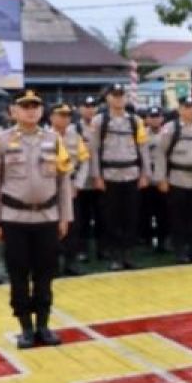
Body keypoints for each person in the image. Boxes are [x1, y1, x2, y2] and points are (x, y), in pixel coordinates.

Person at [0, 90, 73, 348]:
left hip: (47, 217)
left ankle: (44, 326)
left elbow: (63, 181)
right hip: (14, 219)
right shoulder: (0, 141)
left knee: (45, 273)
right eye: (25, 106)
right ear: (14, 111)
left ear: (42, 111)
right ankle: (25, 326)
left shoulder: (54, 140)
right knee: (19, 274)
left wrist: (64, 217)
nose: (30, 110)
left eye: (35, 106)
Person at [89, 84, 150, 270]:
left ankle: (129, 254)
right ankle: (115, 256)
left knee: (131, 217)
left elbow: (143, 149)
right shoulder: (100, 121)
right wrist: (96, 175)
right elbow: (94, 150)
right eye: (114, 96)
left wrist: (145, 173)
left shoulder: (135, 121)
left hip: (131, 174)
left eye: (121, 96)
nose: (118, 99)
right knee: (112, 218)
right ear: (108, 98)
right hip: (109, 175)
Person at [155, 97, 192, 264]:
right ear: (180, 109)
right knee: (178, 217)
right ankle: (180, 250)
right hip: (177, 178)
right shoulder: (170, 129)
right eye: (186, 107)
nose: (190, 110)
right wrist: (161, 178)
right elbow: (160, 154)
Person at [49, 103, 91, 276]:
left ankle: (71, 262)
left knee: (73, 226)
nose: (64, 118)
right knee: (50, 226)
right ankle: (52, 263)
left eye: (67, 115)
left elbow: (84, 161)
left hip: (71, 186)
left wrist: (78, 184)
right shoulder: (44, 136)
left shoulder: (75, 136)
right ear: (51, 117)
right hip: (49, 187)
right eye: (60, 115)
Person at [74, 96, 103, 261]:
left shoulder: (102, 126)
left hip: (99, 179)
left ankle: (102, 249)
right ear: (80, 109)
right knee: (82, 219)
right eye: (86, 106)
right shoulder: (74, 129)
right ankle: (82, 250)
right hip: (82, 182)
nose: (90, 109)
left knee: (102, 217)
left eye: (93, 106)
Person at [140, 106, 169, 253]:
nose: (155, 119)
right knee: (145, 212)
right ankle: (146, 242)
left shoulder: (168, 133)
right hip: (146, 177)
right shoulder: (142, 134)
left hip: (163, 178)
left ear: (162, 118)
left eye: (157, 116)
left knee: (163, 212)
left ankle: (163, 241)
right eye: (151, 116)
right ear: (147, 119)